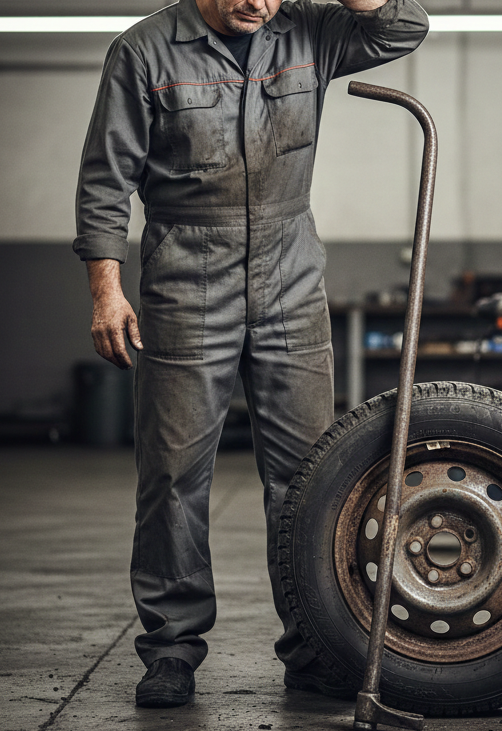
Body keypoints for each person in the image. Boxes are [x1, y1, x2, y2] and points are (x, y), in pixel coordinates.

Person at [72, 0, 428, 709]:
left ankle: (312, 642)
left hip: (289, 272)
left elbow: (403, 26)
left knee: (307, 475)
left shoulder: (308, 30)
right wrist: (106, 291)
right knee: (172, 475)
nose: (258, 3)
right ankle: (172, 646)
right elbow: (105, 181)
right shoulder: (143, 52)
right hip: (184, 271)